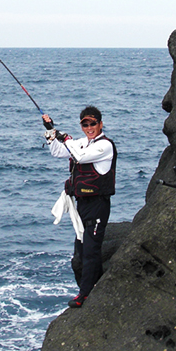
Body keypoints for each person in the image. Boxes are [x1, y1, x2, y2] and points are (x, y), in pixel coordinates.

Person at [42, 107, 116, 309]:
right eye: (85, 124)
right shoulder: (81, 143)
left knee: (90, 252)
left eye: (93, 124)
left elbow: (81, 157)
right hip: (82, 205)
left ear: (100, 124)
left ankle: (84, 294)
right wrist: (51, 130)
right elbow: (58, 151)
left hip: (98, 205)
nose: (89, 128)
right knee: (81, 252)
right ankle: (99, 286)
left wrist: (65, 138)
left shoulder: (105, 146)